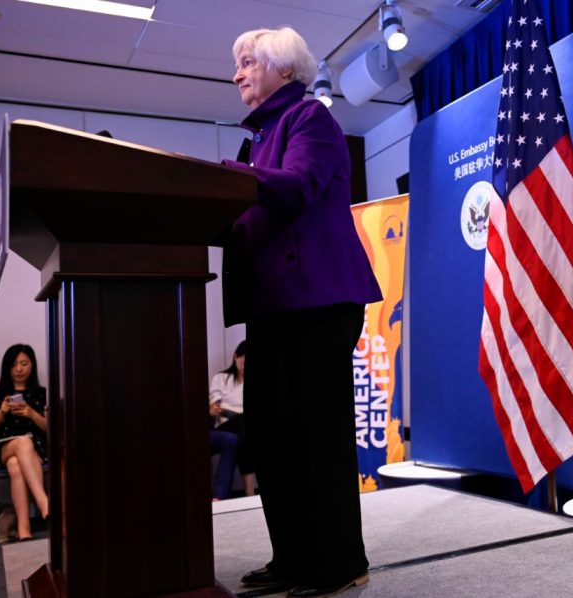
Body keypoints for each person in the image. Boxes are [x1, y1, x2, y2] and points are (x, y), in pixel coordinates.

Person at [220, 26, 383, 598]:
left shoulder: (309, 117)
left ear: (283, 68)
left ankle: (340, 563)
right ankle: (292, 558)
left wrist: (226, 179)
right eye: (238, 64)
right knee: (272, 438)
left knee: (317, 435)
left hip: (318, 299)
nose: (237, 74)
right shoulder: (261, 136)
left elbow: (299, 185)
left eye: (247, 62)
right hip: (273, 304)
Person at [0, 344, 49, 541]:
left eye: (24, 363)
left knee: (15, 465)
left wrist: (31, 413)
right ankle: (43, 502)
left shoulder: (42, 393)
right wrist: (2, 412)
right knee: (22, 442)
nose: (19, 369)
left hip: (36, 450)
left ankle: (23, 529)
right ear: (7, 368)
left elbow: (49, 428)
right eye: (14, 365)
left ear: (32, 365)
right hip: (2, 448)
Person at [209, 340, 255, 499]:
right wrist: (214, 408)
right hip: (224, 423)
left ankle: (247, 494)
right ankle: (250, 493)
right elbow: (214, 405)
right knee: (244, 425)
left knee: (243, 433)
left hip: (244, 427)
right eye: (243, 360)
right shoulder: (221, 378)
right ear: (236, 357)